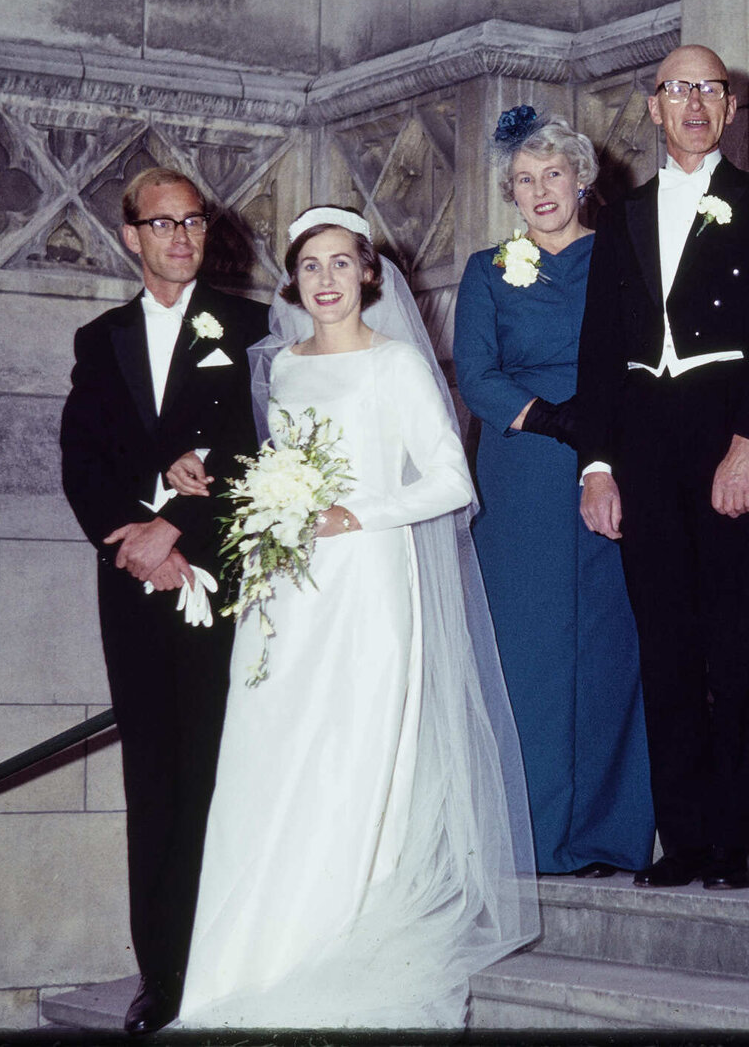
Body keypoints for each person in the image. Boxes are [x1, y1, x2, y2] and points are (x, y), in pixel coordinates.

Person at [171, 206, 539, 1028]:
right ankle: (239, 966)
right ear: (294, 281)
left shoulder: (397, 364)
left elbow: (451, 482)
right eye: (311, 267)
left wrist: (354, 513)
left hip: (370, 578)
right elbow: (272, 470)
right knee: (267, 761)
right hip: (285, 590)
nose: (327, 280)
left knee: (350, 754)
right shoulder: (280, 366)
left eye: (343, 263)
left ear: (370, 273)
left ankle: (334, 936)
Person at [576, 44, 749, 890]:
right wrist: (596, 465)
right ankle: (683, 836)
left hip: (726, 437)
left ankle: (734, 835)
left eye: (712, 89)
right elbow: (598, 352)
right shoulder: (621, 217)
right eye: (680, 90)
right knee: (665, 646)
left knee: (735, 643)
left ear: (730, 108)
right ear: (653, 106)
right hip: (643, 447)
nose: (696, 103)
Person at [58, 167, 271, 1034]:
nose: (182, 236)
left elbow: (265, 453)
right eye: (164, 223)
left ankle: (229, 961)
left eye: (194, 221)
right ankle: (165, 974)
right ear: (131, 235)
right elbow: (84, 462)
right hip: (136, 588)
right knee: (153, 781)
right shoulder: (98, 338)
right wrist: (135, 530)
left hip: (222, 579)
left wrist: (178, 525)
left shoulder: (254, 327)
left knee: (223, 773)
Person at [453, 106, 656, 878]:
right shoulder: (486, 269)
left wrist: (605, 433)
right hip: (525, 471)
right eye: (524, 179)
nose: (540, 190)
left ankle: (608, 834)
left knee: (612, 645)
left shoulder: (625, 256)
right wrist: (554, 419)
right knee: (528, 651)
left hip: (614, 462)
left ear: (582, 177)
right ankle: (530, 835)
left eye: (553, 174)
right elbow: (476, 375)